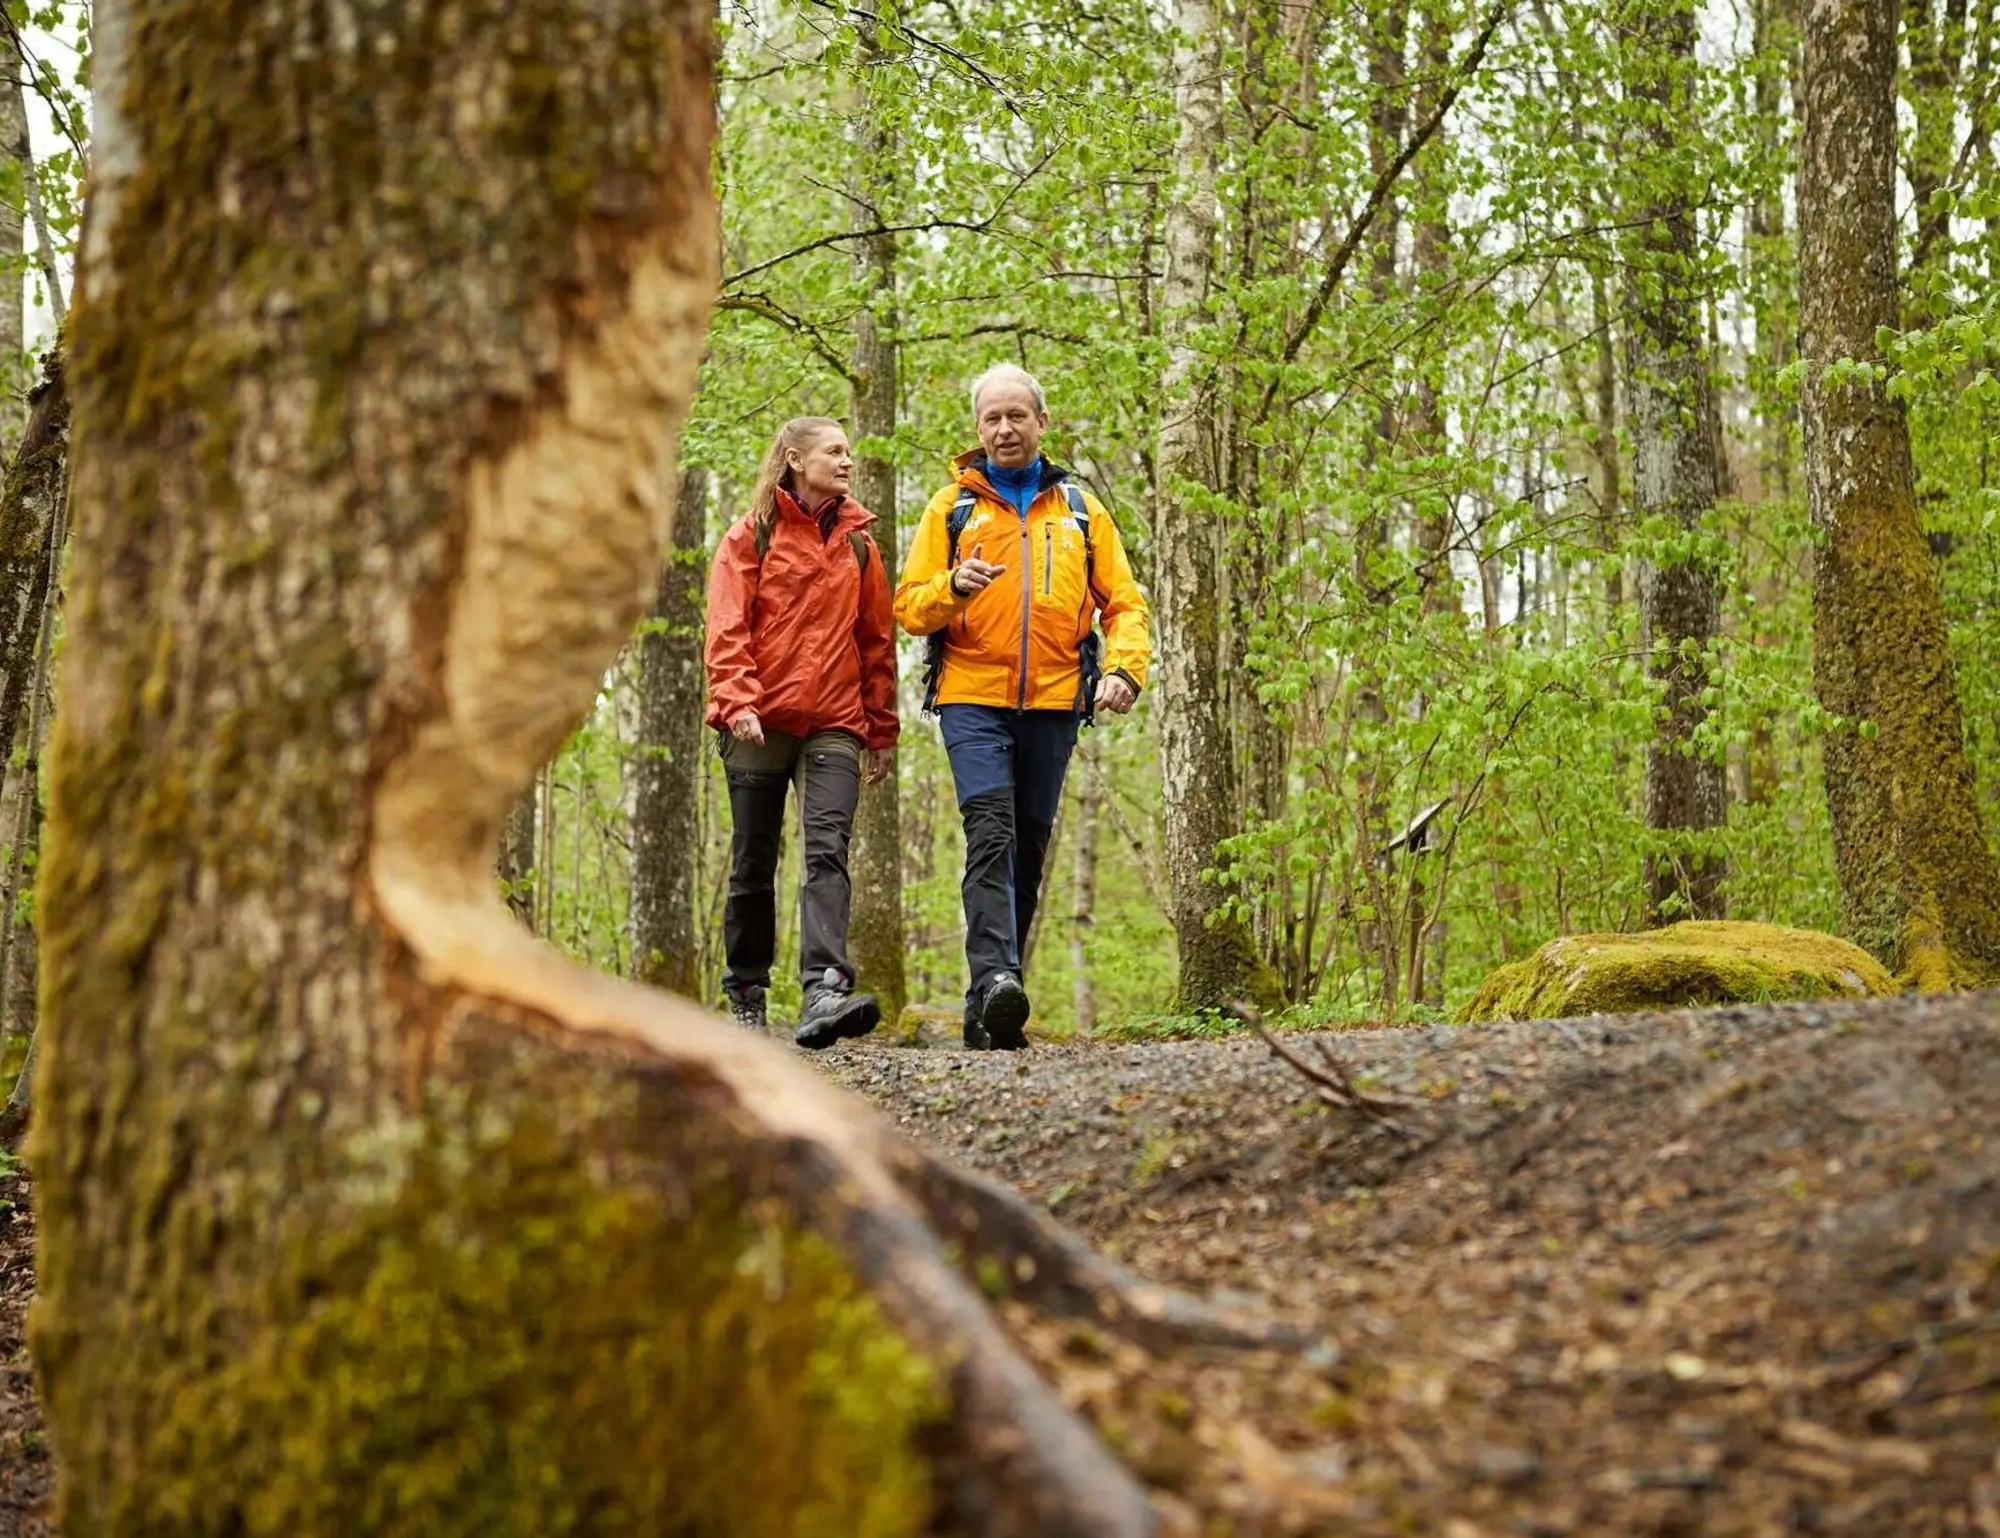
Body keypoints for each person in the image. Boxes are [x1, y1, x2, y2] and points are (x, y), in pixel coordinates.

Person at [894, 364, 1151, 1050]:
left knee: (1028, 851)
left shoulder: (1079, 510)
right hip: (971, 696)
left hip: (1055, 701)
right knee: (991, 834)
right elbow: (910, 606)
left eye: (1016, 416)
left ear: (1042, 423)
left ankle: (988, 1008)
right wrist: (953, 586)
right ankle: (999, 976)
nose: (1004, 429)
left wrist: (1125, 669)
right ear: (977, 430)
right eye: (991, 419)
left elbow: (1124, 603)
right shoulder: (951, 507)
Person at [704, 416, 897, 1049]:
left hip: (836, 721)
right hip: (758, 720)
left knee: (826, 852)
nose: (848, 461)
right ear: (794, 459)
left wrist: (881, 728)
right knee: (754, 861)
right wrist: (737, 700)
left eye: (849, 452)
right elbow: (727, 629)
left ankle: (823, 989)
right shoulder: (749, 537)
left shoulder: (860, 545)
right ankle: (747, 990)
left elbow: (876, 641)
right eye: (835, 452)